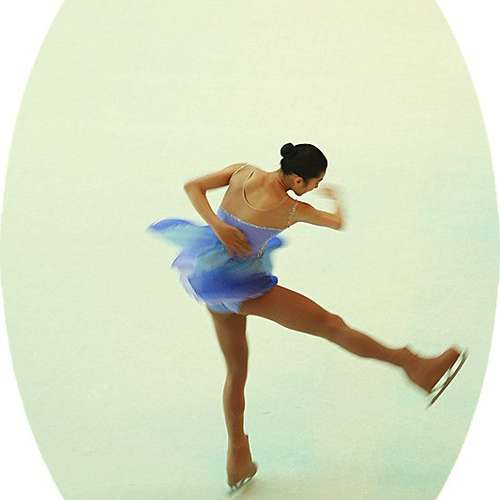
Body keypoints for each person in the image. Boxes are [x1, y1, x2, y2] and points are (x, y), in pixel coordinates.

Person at [147, 142, 468, 492]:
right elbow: (337, 223)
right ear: (298, 180)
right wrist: (337, 199)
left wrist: (218, 227)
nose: (316, 188)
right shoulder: (290, 209)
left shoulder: (242, 171)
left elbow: (192, 186)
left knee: (236, 372)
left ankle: (238, 455)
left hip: (209, 279)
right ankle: (413, 365)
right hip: (244, 287)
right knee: (332, 326)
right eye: (316, 182)